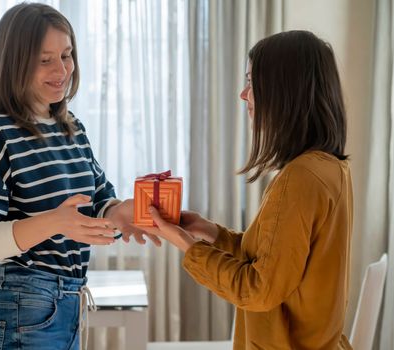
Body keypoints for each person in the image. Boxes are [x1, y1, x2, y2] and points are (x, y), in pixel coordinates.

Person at [0, 3, 154, 350]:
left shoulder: (72, 127)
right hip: (21, 311)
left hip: (68, 308)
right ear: (15, 62)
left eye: (67, 54)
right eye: (45, 59)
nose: (62, 70)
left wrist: (118, 212)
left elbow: (98, 200)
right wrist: (54, 222)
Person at [147, 30, 353, 350]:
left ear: (284, 91)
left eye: (252, 83)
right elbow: (277, 262)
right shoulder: (329, 168)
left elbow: (257, 289)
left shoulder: (300, 178)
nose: (244, 95)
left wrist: (186, 245)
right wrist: (209, 231)